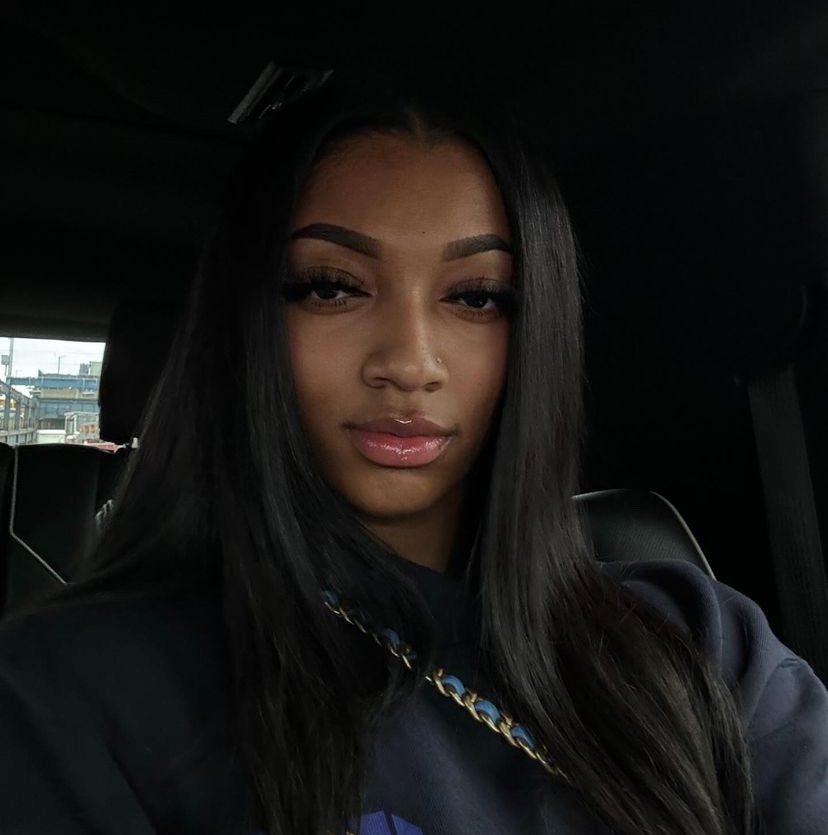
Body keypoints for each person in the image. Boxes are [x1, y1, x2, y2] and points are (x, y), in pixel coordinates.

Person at [0, 71, 826, 835]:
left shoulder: (703, 641)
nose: (409, 361)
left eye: (476, 296)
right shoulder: (76, 690)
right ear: (247, 325)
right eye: (332, 286)